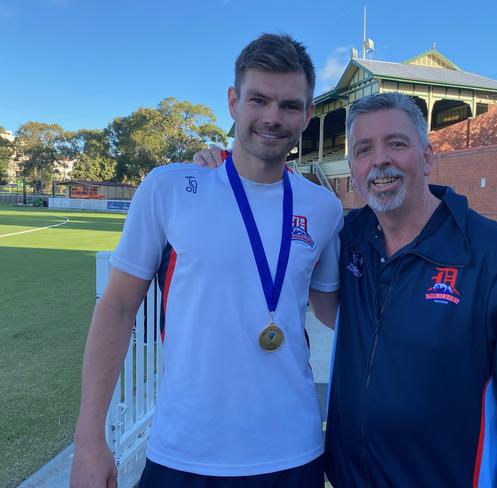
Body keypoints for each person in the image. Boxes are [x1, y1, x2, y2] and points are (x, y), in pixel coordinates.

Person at [70, 33, 343, 488]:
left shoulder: (323, 208)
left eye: (290, 105)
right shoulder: (169, 188)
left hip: (293, 452)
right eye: (259, 99)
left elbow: (332, 309)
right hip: (185, 451)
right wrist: (89, 440)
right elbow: (117, 308)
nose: (273, 118)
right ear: (233, 102)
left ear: (308, 114)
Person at [324, 93, 497, 487]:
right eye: (363, 149)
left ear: (426, 156)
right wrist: (224, 168)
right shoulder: (347, 237)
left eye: (396, 143)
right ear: (352, 166)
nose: (379, 159)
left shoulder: (493, 255)